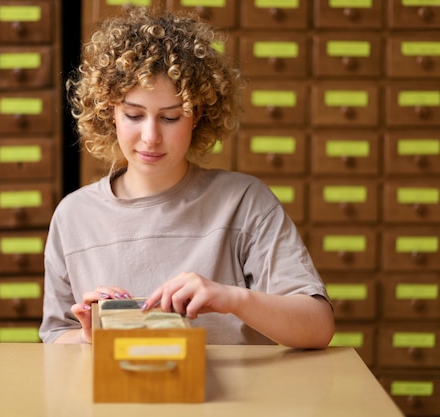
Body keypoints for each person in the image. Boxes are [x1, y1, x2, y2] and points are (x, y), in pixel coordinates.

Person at [40, 7, 334, 349]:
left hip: (232, 402)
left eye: (171, 118)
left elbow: (318, 327)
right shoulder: (73, 215)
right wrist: (88, 337)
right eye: (134, 115)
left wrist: (231, 298)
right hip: (115, 399)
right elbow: (55, 337)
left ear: (198, 117)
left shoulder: (245, 201)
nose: (150, 137)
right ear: (109, 112)